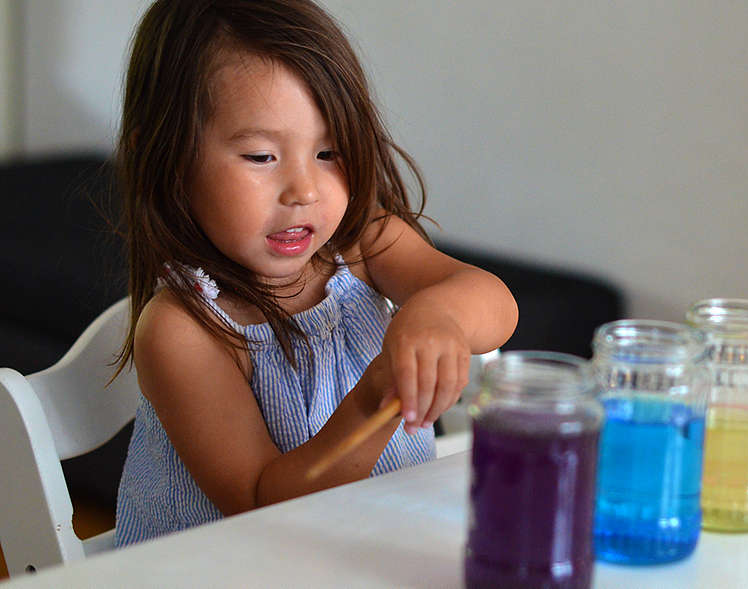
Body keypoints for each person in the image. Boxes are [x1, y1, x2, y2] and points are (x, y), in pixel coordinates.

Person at [112, 0, 518, 546]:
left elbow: (495, 304)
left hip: (375, 548)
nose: (304, 190)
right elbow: (263, 506)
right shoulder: (182, 330)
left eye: (329, 152)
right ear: (164, 159)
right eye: (261, 156)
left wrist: (437, 313)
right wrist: (375, 398)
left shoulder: (363, 242)